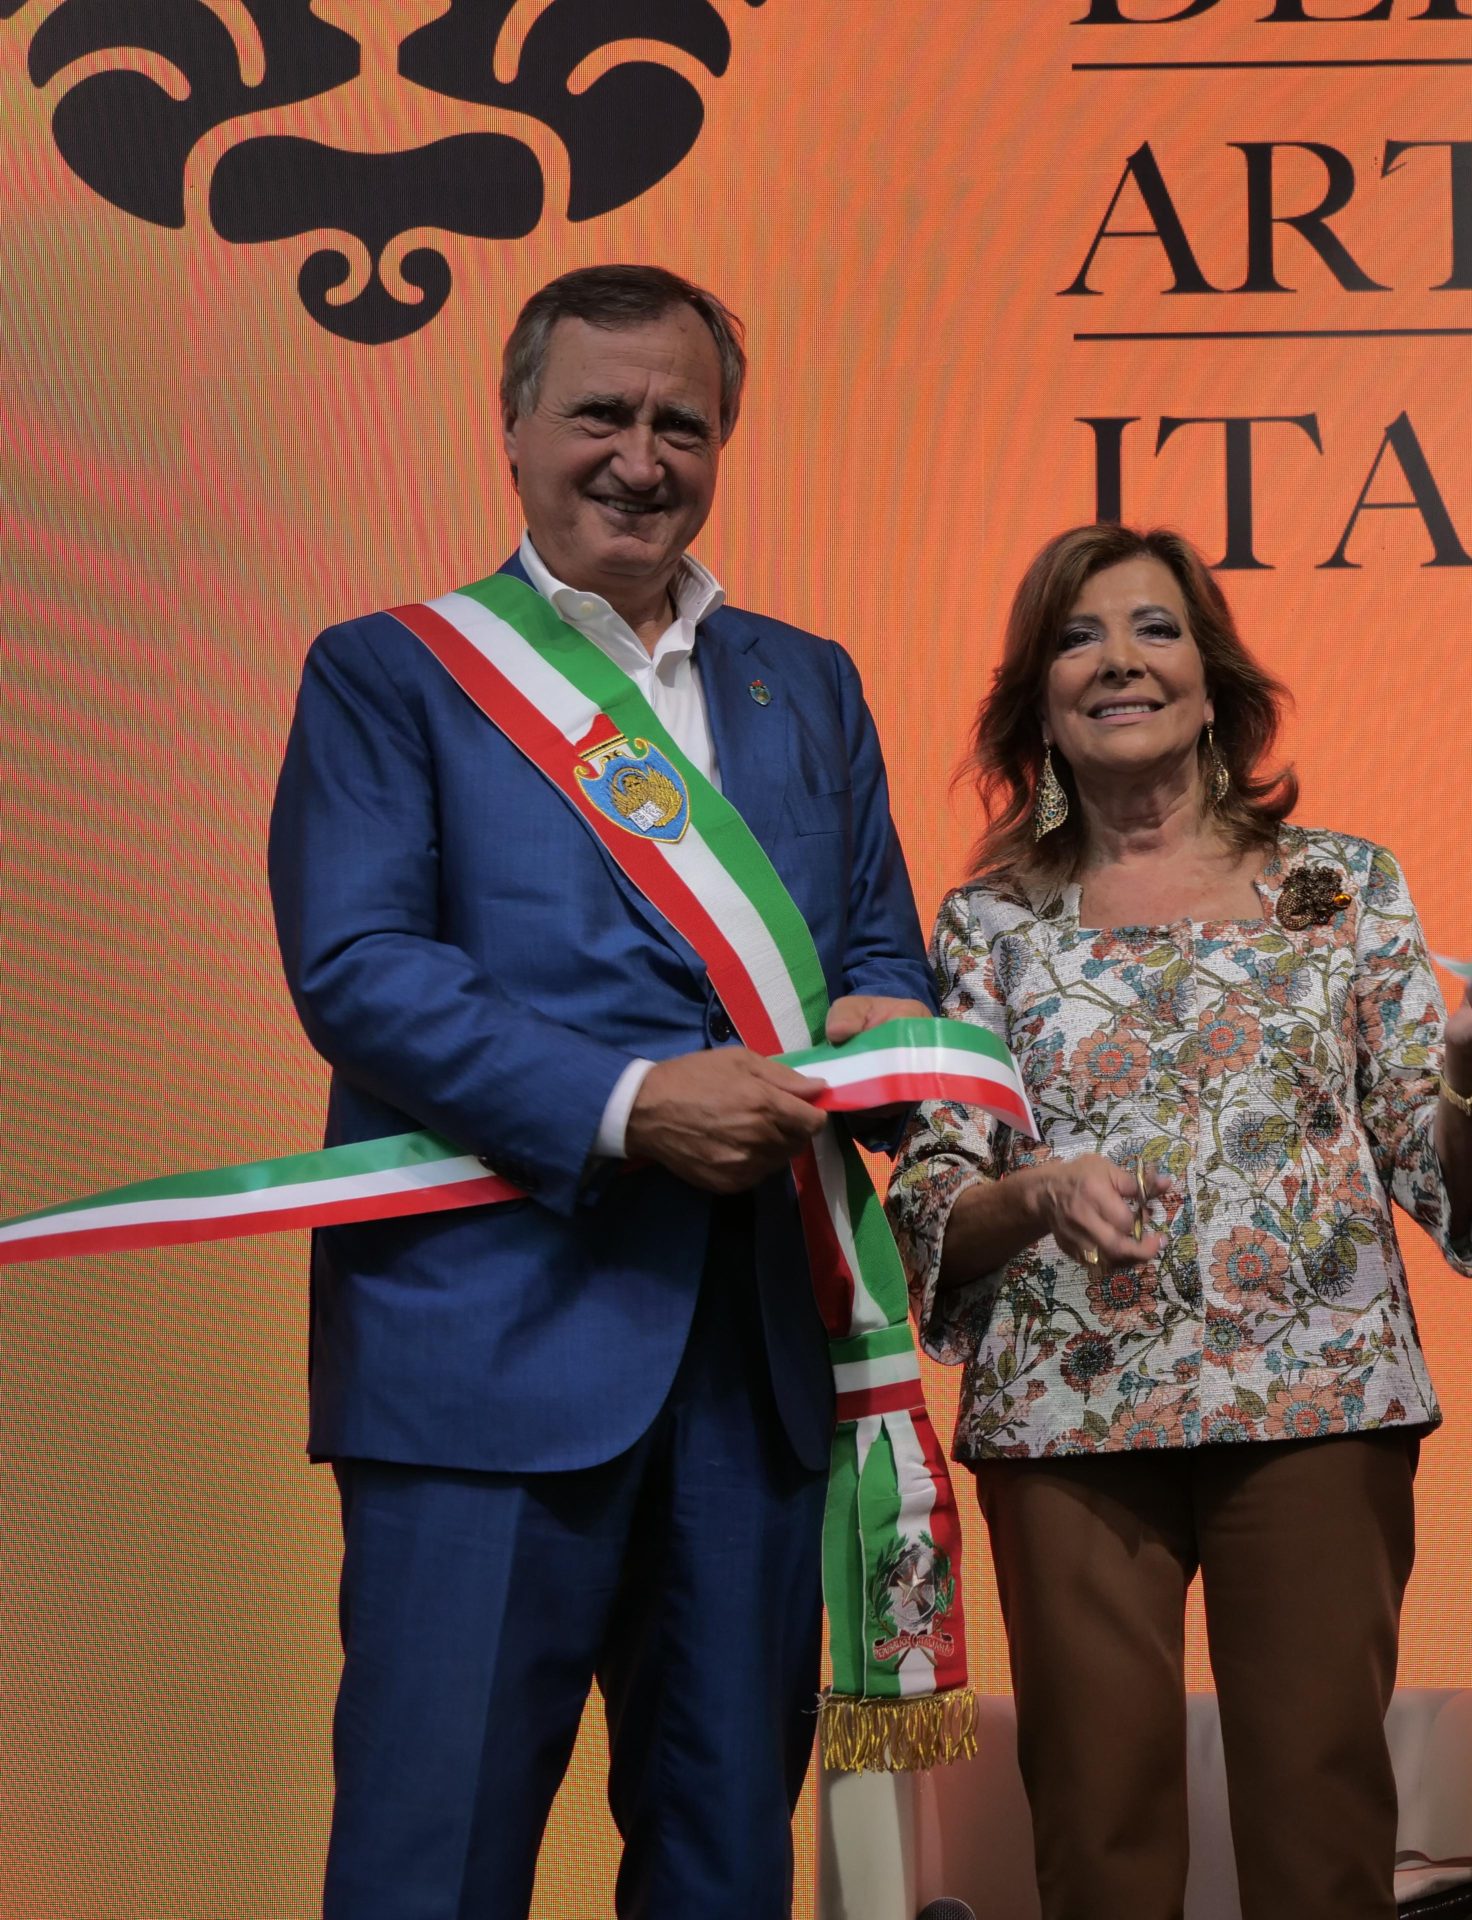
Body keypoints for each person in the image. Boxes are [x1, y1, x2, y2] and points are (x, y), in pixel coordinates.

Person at [268, 264, 933, 1918]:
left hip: (756, 1367)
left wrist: (885, 1033)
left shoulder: (810, 682)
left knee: (725, 1869)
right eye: (601, 416)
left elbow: (880, 952)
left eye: (680, 425)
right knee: (431, 1867)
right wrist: (632, 1104)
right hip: (482, 1355)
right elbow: (360, 968)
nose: (641, 460)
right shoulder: (389, 674)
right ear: (512, 429)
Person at [886, 522, 1472, 1920]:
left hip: (1318, 1403)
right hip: (1068, 1417)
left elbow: (1438, 1178)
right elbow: (936, 1194)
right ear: (1037, 703)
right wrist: (1040, 1193)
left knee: (1321, 1828)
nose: (1119, 661)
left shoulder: (1341, 887)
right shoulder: (987, 924)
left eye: (1156, 629)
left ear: (1213, 683)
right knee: (1099, 1835)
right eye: (1078, 637)